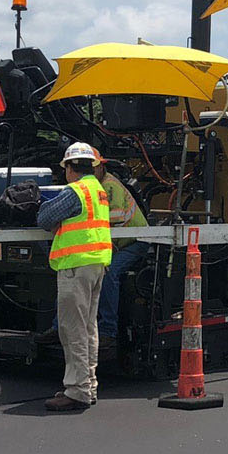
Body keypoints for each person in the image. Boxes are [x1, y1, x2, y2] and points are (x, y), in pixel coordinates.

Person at [38, 142, 112, 411]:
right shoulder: (99, 191)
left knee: (72, 329)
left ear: (70, 168)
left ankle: (78, 390)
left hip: (75, 266)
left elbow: (44, 218)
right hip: (96, 263)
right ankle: (88, 385)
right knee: (89, 328)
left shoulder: (75, 191)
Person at [95, 159, 149, 347]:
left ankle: (108, 330)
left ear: (101, 167)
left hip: (136, 241)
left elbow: (116, 218)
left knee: (109, 272)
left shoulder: (109, 186)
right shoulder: (95, 186)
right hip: (122, 241)